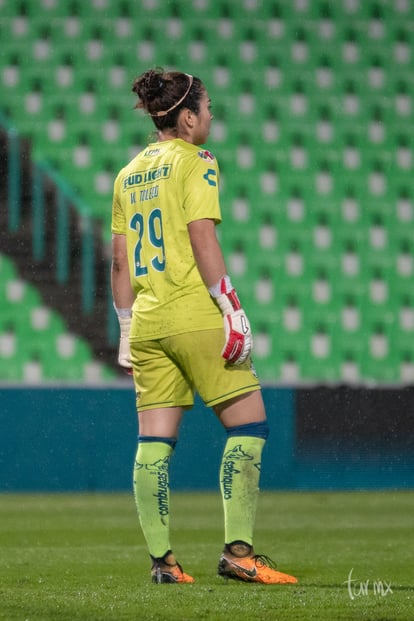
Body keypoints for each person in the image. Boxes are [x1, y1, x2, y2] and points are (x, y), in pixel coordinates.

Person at [111, 67, 297, 585]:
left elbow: (120, 263)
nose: (212, 116)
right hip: (194, 315)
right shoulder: (198, 162)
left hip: (147, 321)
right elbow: (201, 237)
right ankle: (239, 553)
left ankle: (163, 563)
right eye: (208, 108)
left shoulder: (128, 173)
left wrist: (126, 327)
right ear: (188, 117)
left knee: (153, 443)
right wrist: (231, 305)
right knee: (249, 426)